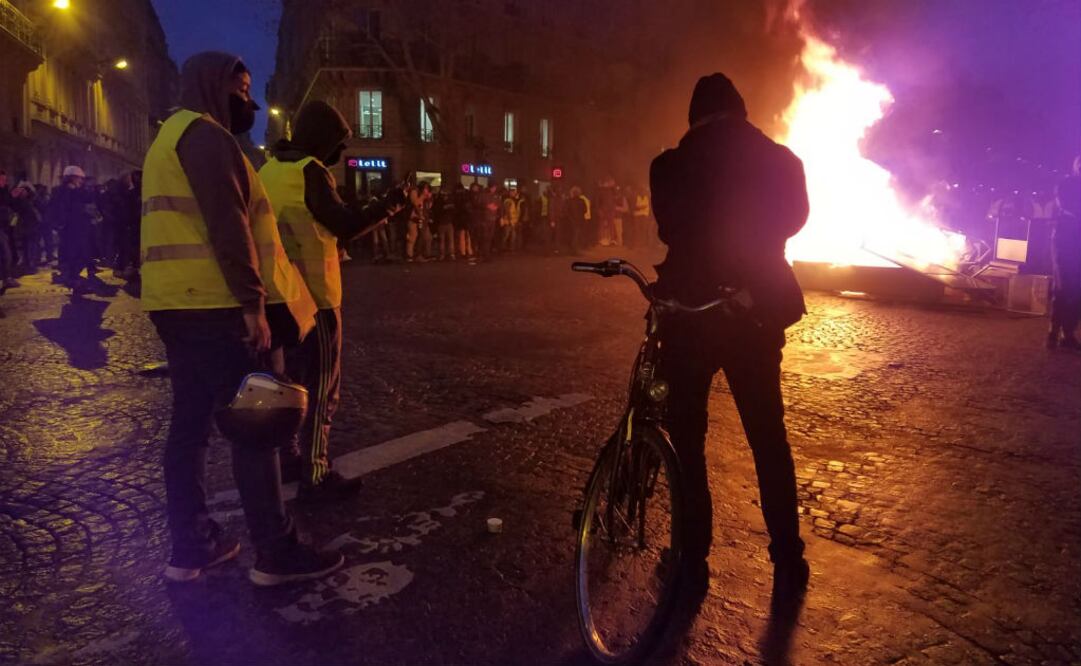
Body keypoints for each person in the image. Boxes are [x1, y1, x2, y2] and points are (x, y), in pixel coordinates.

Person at [141, 51, 340, 585]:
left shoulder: (168, 138)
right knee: (257, 425)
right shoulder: (208, 138)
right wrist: (253, 304)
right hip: (217, 305)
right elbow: (228, 225)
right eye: (242, 89)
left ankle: (192, 546)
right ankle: (276, 551)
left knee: (190, 427)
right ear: (214, 84)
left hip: (176, 303)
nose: (247, 101)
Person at [649, 73, 811, 608]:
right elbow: (795, 220)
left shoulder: (670, 165)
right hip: (754, 312)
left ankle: (691, 561)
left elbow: (669, 231)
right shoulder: (783, 160)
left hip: (691, 316)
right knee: (768, 439)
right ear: (741, 112)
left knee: (688, 444)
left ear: (694, 117)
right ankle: (788, 559)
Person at [259, 99, 402, 501]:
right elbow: (344, 224)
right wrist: (388, 204)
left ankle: (288, 456)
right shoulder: (311, 171)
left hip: (278, 296)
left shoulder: (268, 170)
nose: (339, 152)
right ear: (323, 139)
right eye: (337, 143)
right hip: (316, 300)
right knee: (322, 388)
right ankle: (316, 475)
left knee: (288, 383)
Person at [49, 166, 97, 287]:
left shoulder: (78, 190)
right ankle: (71, 278)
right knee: (72, 253)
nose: (81, 180)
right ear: (72, 178)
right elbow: (59, 209)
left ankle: (72, 276)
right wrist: (58, 224)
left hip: (78, 227)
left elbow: (88, 199)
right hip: (70, 228)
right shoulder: (61, 191)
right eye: (79, 178)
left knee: (80, 253)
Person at [1049, 175, 1081, 349]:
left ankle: (1063, 334)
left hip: (1073, 235)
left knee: (1071, 293)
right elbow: (1063, 203)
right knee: (1064, 290)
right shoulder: (1068, 183)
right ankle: (1057, 334)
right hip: (1067, 236)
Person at [11, 181, 43, 273]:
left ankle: (31, 264)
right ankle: (29, 265)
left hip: (31, 227)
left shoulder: (31, 200)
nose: (23, 192)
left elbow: (41, 207)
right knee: (28, 246)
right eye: (22, 190)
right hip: (26, 227)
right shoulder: (20, 201)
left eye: (25, 190)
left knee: (31, 246)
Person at [405, 182, 433, 262]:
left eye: (427, 189)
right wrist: (423, 196)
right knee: (413, 237)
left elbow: (428, 207)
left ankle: (423, 254)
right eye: (425, 188)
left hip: (421, 219)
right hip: (413, 218)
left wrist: (429, 198)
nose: (426, 190)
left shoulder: (425, 197)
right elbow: (415, 203)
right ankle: (410, 255)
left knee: (425, 236)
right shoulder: (415, 192)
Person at [432, 184, 456, 260]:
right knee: (443, 239)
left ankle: (450, 254)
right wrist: (444, 208)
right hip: (442, 222)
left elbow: (453, 210)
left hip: (447, 221)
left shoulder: (448, 199)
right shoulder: (439, 200)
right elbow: (436, 210)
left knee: (449, 239)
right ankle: (443, 254)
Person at [501, 187, 523, 251]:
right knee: (506, 235)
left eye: (515, 193)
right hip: (508, 221)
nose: (514, 194)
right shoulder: (508, 201)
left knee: (513, 235)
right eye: (513, 192)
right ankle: (503, 247)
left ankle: (511, 248)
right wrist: (510, 220)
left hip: (513, 221)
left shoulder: (514, 200)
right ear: (510, 193)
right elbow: (507, 211)